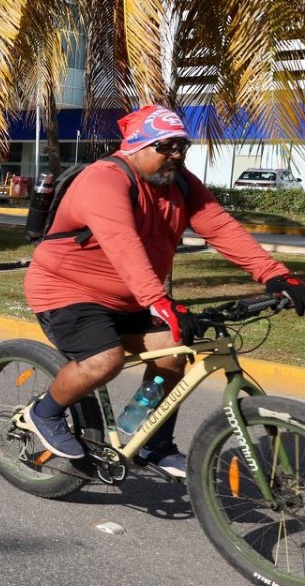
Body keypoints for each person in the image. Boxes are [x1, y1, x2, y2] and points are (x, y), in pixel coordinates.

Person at [22, 104, 305, 477]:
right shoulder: (104, 179)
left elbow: (220, 228)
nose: (175, 155)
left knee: (173, 355)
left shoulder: (181, 183)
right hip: (67, 290)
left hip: (130, 297)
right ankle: (43, 413)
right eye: (165, 146)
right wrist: (161, 303)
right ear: (136, 147)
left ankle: (144, 436)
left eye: (181, 147)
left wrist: (277, 276)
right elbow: (122, 242)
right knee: (104, 361)